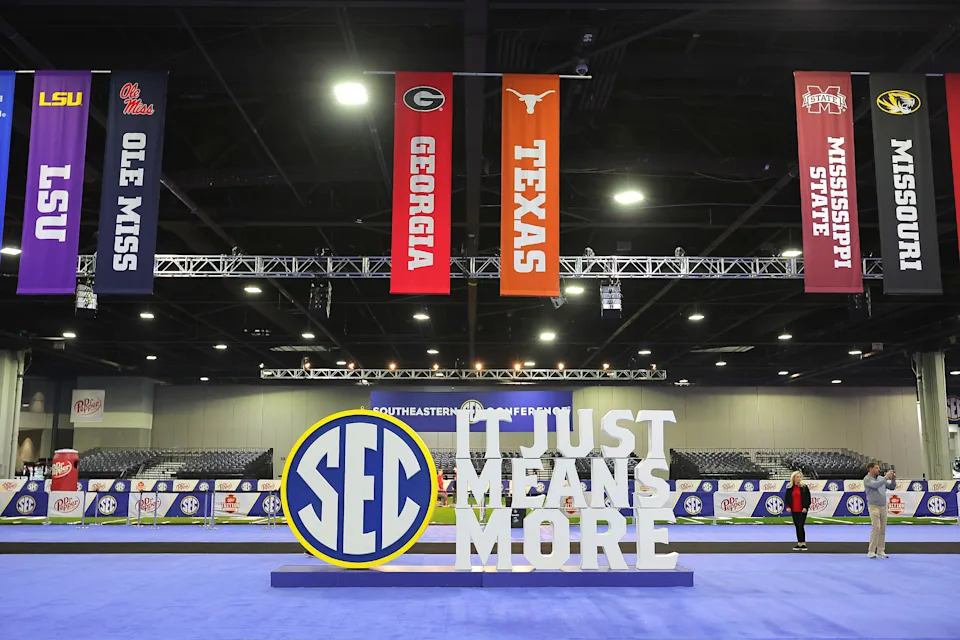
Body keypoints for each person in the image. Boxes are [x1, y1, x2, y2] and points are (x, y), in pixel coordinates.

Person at [864, 462, 896, 559]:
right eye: (876, 468)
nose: (879, 469)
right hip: (873, 506)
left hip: (883, 506)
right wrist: (886, 477)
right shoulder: (867, 479)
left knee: (882, 529)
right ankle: (871, 550)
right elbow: (875, 485)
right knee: (876, 528)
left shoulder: (881, 478)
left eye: (879, 468)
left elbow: (892, 487)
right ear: (870, 469)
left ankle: (881, 550)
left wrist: (893, 479)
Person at [783, 470, 811, 551]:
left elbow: (807, 498)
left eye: (800, 477)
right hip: (794, 509)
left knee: (800, 525)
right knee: (797, 526)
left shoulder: (804, 487)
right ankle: (799, 543)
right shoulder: (789, 487)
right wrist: (788, 506)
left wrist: (805, 507)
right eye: (797, 477)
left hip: (802, 510)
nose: (799, 478)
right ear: (793, 478)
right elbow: (787, 498)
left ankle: (803, 543)